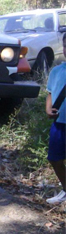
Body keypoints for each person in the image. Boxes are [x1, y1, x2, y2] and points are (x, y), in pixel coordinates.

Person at [45, 36, 66, 204]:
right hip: (59, 124)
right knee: (54, 158)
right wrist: (48, 109)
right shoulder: (57, 71)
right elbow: (50, 93)